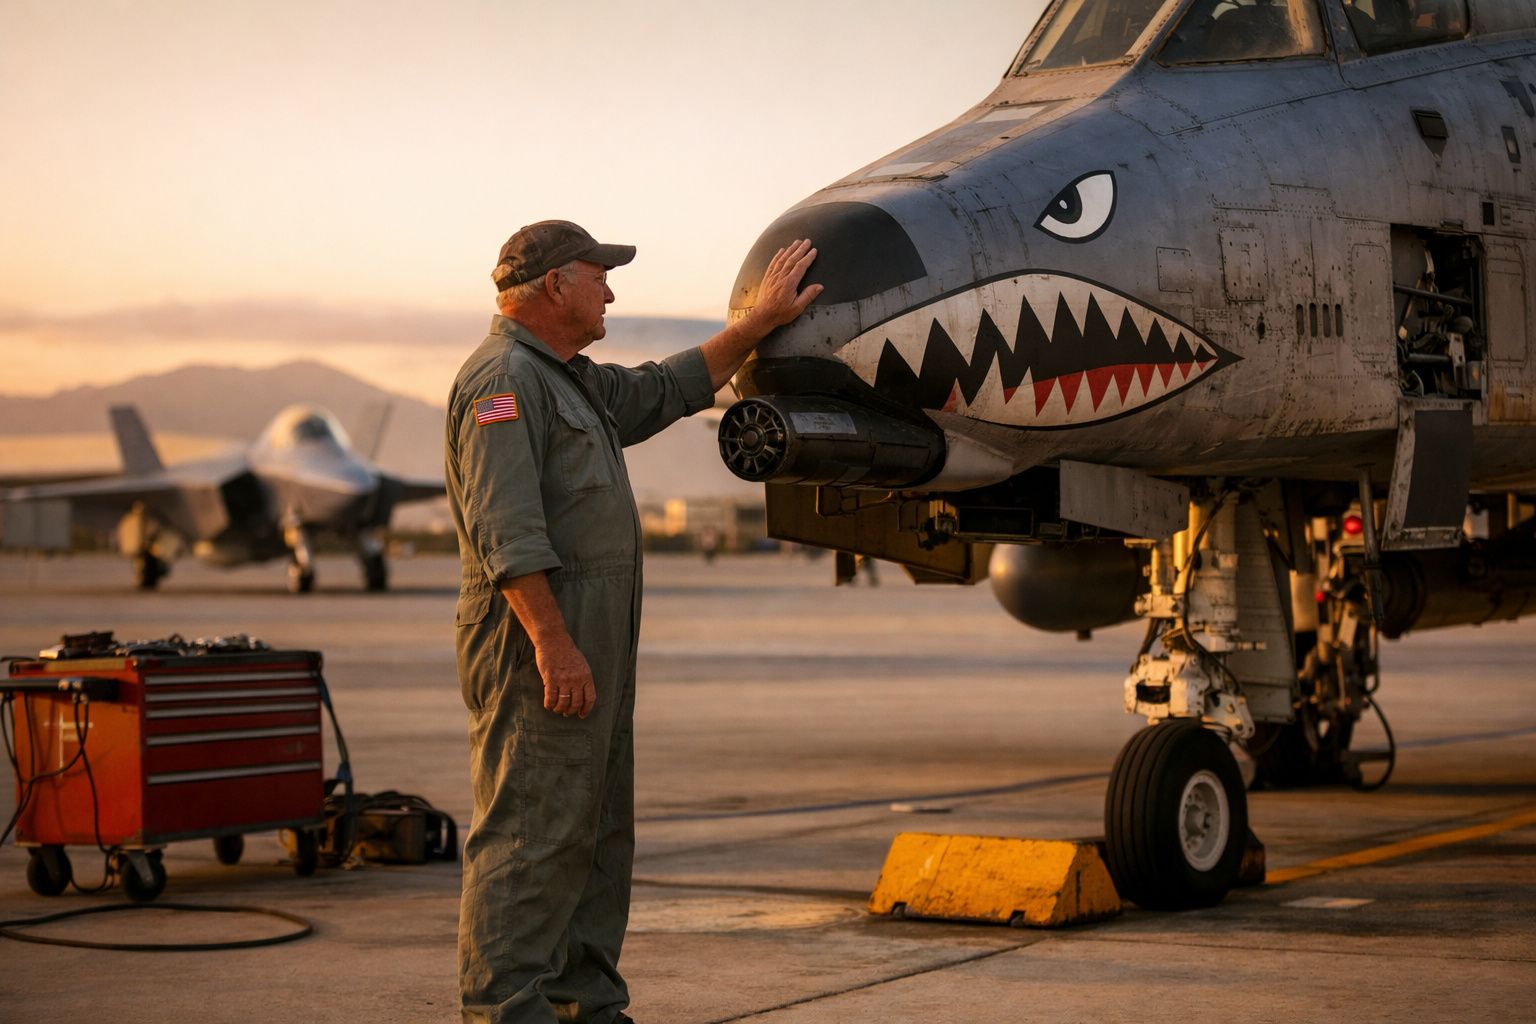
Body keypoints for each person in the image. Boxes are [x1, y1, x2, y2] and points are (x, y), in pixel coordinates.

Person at [445, 220, 820, 1024]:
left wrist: (757, 327)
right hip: (538, 645)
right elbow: (507, 533)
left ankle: (589, 1005)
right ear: (554, 286)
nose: (611, 290)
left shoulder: (570, 380)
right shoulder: (503, 383)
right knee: (530, 832)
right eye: (598, 275)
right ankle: (506, 1010)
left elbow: (664, 388)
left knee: (595, 831)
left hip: (589, 642)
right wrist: (552, 643)